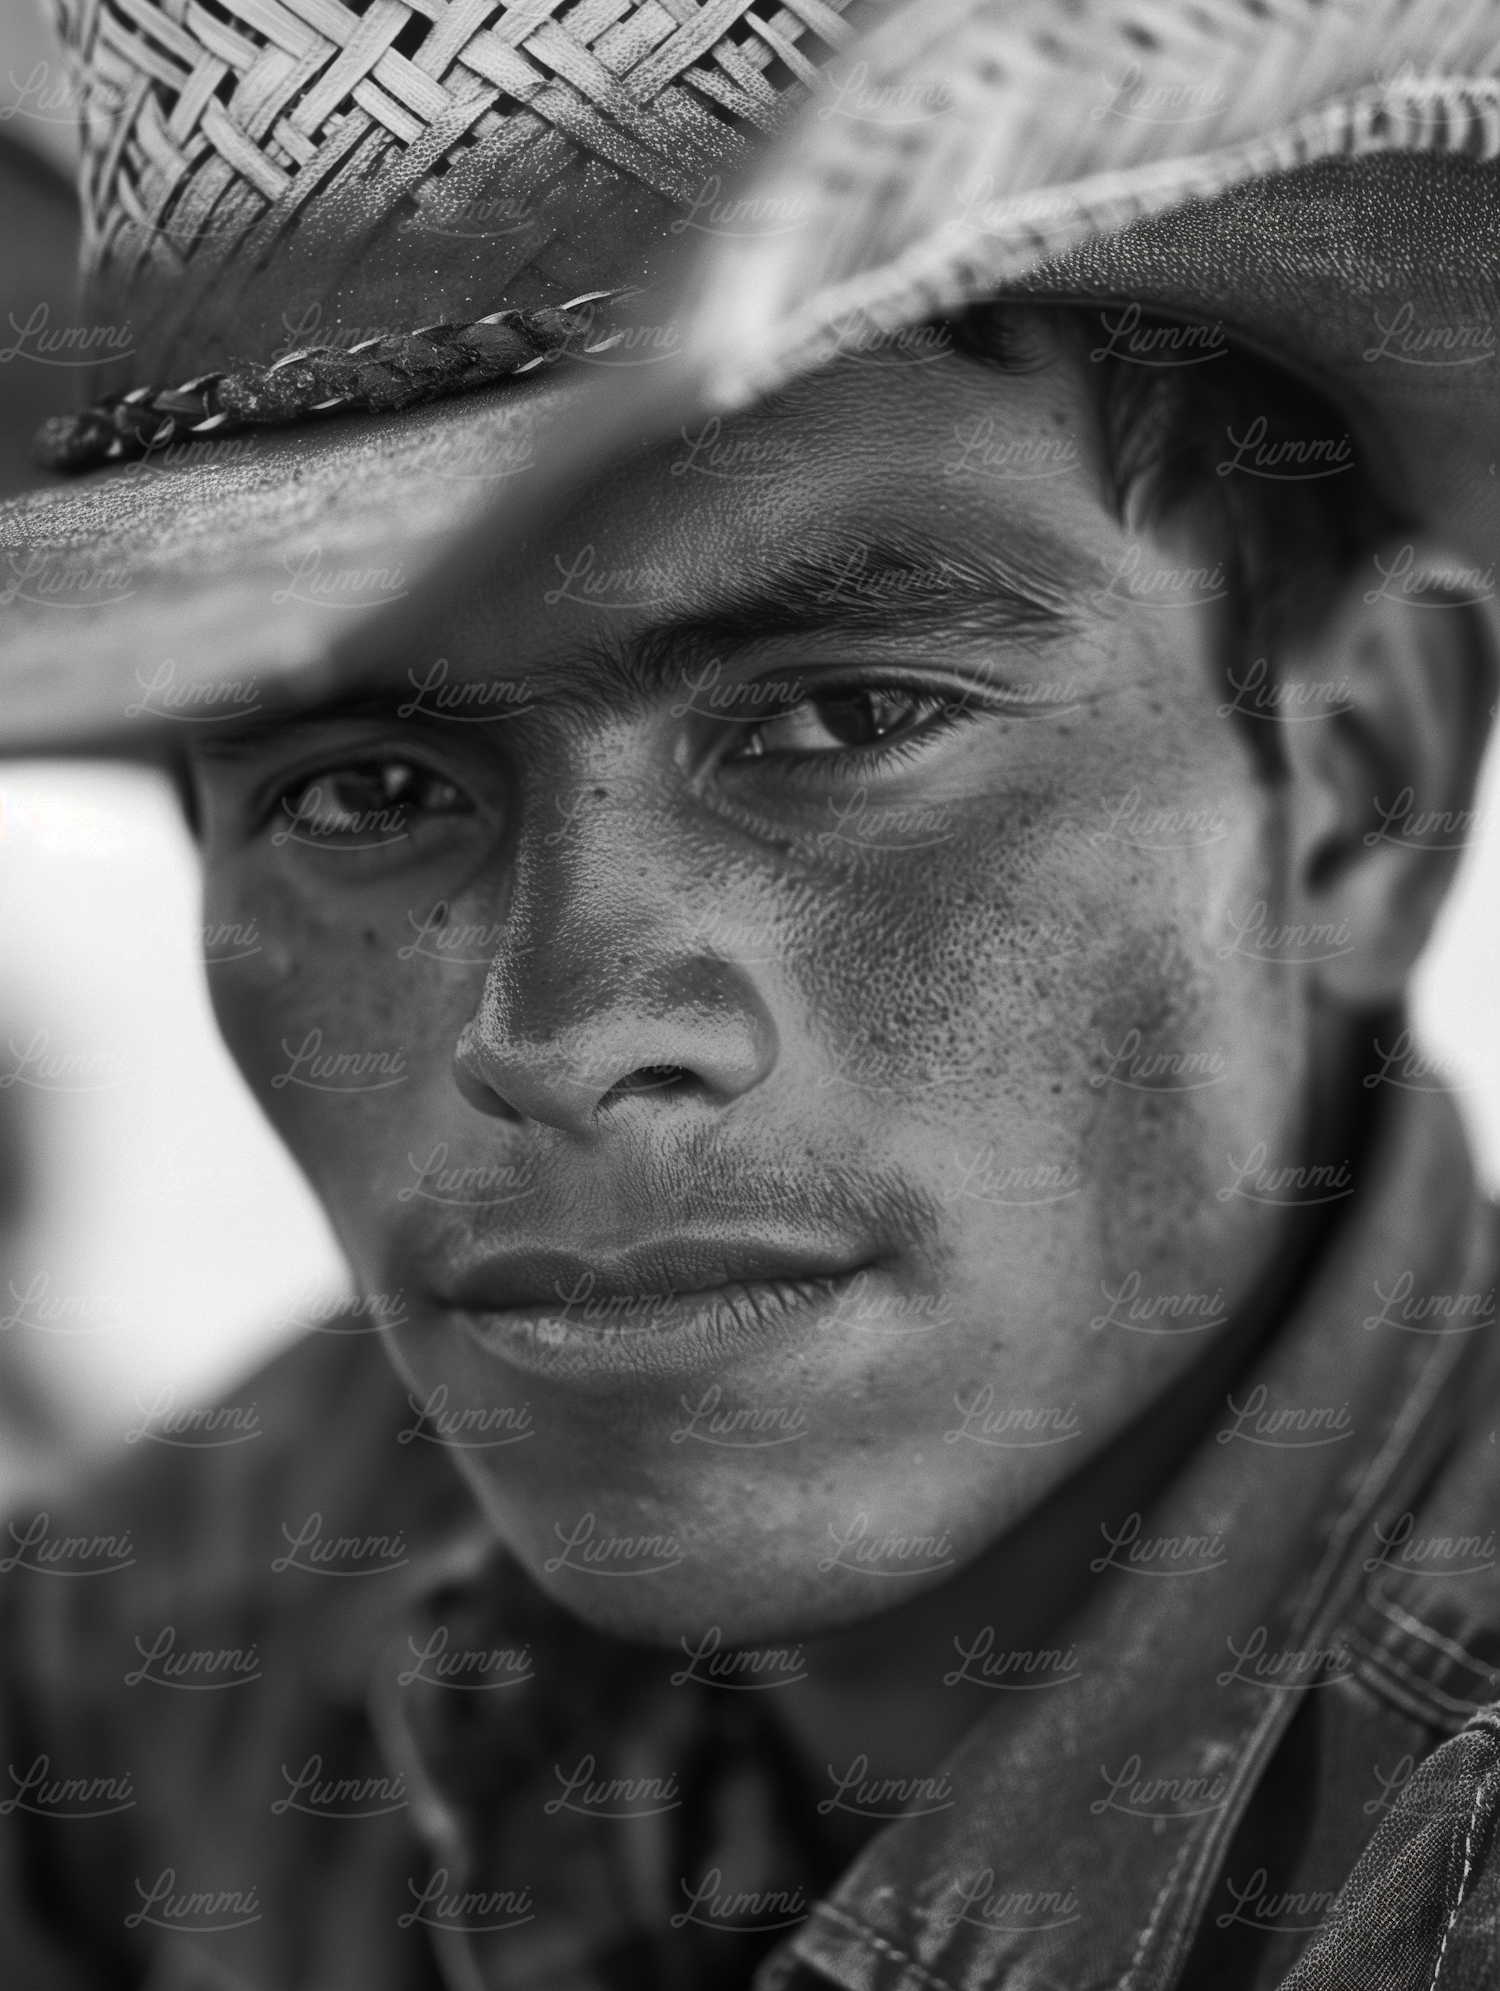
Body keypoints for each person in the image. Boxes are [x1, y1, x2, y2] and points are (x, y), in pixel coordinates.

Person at [1, 2, 1498, 1987]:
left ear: (1359, 793)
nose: (550, 1032)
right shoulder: (192, 1626)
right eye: (365, 793)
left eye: (843, 716)